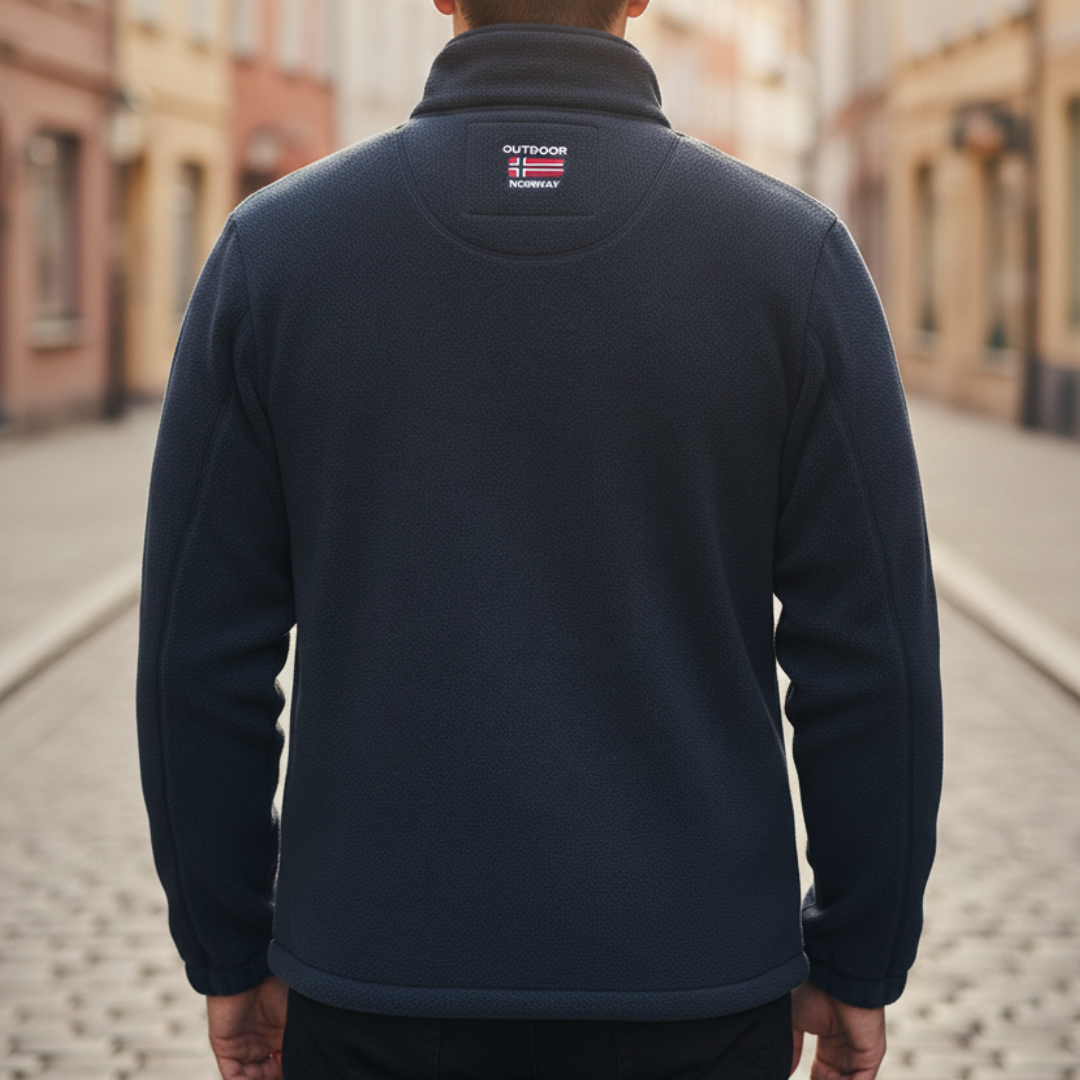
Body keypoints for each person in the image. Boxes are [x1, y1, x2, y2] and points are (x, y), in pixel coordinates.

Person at [136, 1, 943, 1078]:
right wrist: (858, 954)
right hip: (694, 984)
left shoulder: (274, 254)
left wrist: (228, 944)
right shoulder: (792, 261)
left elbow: (195, 659)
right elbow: (874, 660)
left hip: (374, 980)